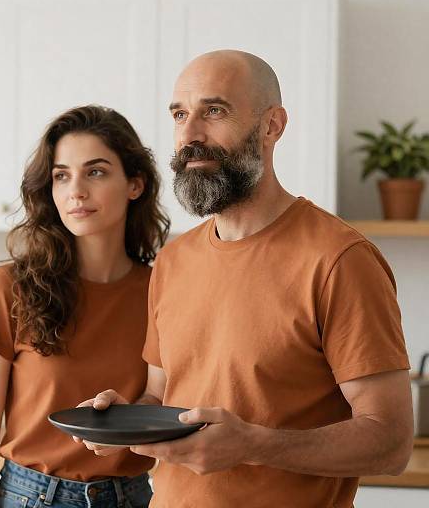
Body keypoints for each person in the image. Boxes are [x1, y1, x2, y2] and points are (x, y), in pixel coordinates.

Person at [79, 51, 414, 507]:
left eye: (214, 111)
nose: (191, 135)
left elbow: (390, 441)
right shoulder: (175, 260)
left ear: (272, 126)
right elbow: (161, 394)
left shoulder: (340, 260)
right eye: (180, 114)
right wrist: (126, 420)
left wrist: (253, 444)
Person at [0, 105, 170, 508]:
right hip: (31, 497)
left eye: (95, 171)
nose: (76, 190)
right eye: (61, 175)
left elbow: (159, 403)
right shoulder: (10, 289)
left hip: (133, 497)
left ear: (135, 185)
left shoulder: (162, 291)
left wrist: (128, 420)